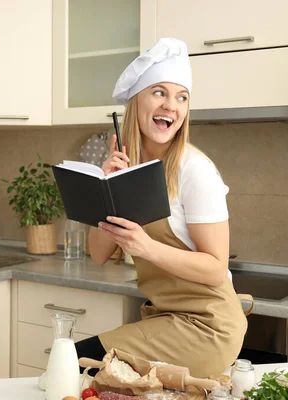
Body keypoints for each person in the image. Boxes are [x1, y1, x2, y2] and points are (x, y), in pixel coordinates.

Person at [74, 38, 249, 379]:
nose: (172, 105)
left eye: (181, 97)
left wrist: (147, 247)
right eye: (159, 92)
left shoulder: (193, 170)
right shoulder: (131, 170)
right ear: (136, 101)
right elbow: (97, 253)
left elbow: (215, 269)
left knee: (78, 363)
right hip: (167, 318)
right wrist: (106, 190)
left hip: (208, 327)